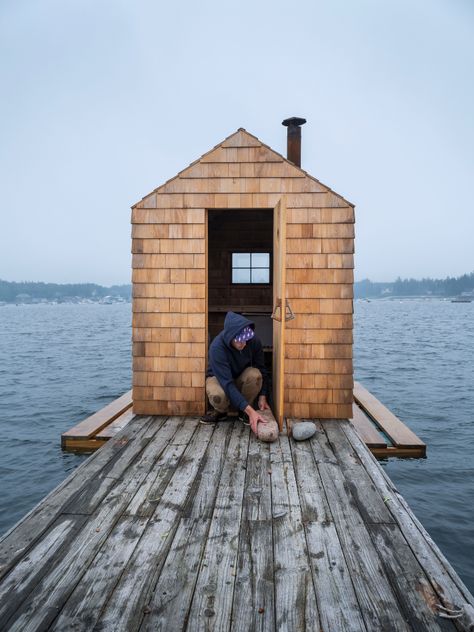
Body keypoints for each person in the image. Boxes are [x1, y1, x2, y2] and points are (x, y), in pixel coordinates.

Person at [201, 311, 270, 435]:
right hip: (219, 379)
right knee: (218, 396)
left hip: (239, 377)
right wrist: (252, 412)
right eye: (239, 340)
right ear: (230, 337)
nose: (243, 344)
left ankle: (243, 412)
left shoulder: (253, 341)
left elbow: (262, 369)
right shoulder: (217, 347)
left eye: (245, 339)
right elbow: (227, 383)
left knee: (255, 375)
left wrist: (263, 395)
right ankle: (220, 412)